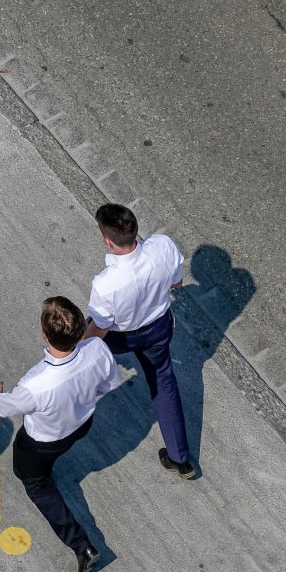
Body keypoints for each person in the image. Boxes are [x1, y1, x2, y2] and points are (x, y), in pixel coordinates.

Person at [0, 297, 120, 572]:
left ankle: (82, 546)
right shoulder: (96, 348)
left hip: (41, 444)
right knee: (53, 460)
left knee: (36, 484)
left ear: (45, 335)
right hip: (81, 425)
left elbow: (4, 406)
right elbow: (108, 384)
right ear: (81, 329)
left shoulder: (36, 383)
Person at [83, 203, 195, 479]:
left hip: (121, 338)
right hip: (158, 330)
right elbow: (177, 284)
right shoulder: (163, 246)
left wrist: (76, 350)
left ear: (107, 240)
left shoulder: (105, 283)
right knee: (164, 384)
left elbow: (100, 327)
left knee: (84, 349)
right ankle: (181, 459)